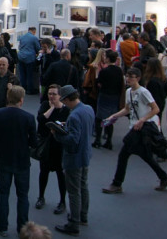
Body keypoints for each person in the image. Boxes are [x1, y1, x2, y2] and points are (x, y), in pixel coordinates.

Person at [102, 67, 167, 194]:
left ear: (138, 78)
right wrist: (114, 116)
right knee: (145, 155)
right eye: (127, 76)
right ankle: (164, 177)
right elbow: (127, 109)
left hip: (143, 127)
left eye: (131, 77)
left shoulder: (143, 92)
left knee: (124, 153)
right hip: (135, 126)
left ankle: (117, 183)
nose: (128, 79)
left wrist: (142, 119)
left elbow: (156, 109)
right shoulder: (129, 92)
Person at [0, 85, 37, 237]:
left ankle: (2, 226)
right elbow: (34, 143)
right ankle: (23, 227)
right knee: (23, 196)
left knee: (3, 193)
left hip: (3, 159)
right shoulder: (28, 118)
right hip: (22, 160)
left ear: (8, 98)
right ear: (21, 100)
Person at [52, 85, 95, 235]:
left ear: (68, 98)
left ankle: (73, 223)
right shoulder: (88, 109)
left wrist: (57, 134)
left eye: (64, 100)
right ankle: (83, 216)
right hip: (85, 154)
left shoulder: (74, 116)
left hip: (74, 157)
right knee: (84, 186)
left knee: (73, 191)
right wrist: (68, 126)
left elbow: (72, 139)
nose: (64, 103)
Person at [34, 84, 69, 215]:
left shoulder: (66, 110)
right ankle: (41, 197)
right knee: (44, 172)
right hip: (46, 146)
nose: (51, 96)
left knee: (61, 175)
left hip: (59, 147)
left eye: (54, 94)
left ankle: (62, 201)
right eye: (49, 94)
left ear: (60, 96)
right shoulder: (45, 105)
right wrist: (52, 108)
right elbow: (40, 119)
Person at [93, 50, 123, 149]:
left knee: (99, 118)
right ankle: (109, 141)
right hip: (115, 96)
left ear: (108, 58)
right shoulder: (119, 71)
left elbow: (98, 83)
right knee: (110, 119)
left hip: (104, 95)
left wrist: (97, 72)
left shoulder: (104, 71)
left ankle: (98, 139)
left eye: (105, 56)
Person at [18, 27, 42, 95]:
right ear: (34, 31)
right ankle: (30, 89)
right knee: (29, 74)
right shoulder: (34, 38)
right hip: (29, 58)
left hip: (21, 57)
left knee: (22, 74)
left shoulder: (22, 37)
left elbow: (19, 47)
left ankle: (23, 88)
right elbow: (38, 48)